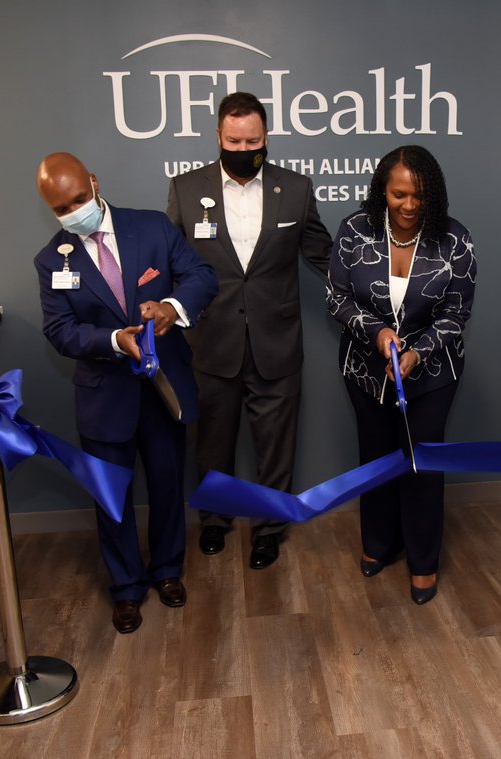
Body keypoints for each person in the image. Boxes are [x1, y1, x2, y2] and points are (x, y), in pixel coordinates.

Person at [34, 152, 217, 633]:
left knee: (167, 484)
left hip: (162, 389)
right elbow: (60, 331)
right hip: (104, 396)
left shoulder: (152, 227)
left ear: (94, 183)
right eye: (61, 208)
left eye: (79, 199)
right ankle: (126, 588)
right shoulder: (53, 260)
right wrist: (114, 340)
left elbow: (202, 277)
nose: (75, 211)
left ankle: (167, 571)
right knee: (112, 498)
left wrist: (172, 308)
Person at [167, 92, 332, 569]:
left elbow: (322, 255)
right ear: (218, 136)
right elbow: (171, 259)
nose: (244, 147)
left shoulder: (296, 189)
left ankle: (269, 528)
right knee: (212, 442)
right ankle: (215, 521)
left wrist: (371, 282)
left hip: (276, 342)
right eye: (234, 139)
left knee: (276, 446)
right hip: (211, 340)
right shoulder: (184, 187)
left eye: (253, 140)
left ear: (266, 138)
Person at [327, 145, 476, 605]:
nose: (409, 205)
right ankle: (379, 543)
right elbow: (336, 297)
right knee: (375, 458)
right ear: (382, 192)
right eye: (399, 195)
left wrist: (416, 351)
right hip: (365, 369)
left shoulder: (455, 239)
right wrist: (376, 333)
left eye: (419, 196)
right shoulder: (355, 230)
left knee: (422, 465)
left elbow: (457, 312)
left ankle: (423, 561)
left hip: (431, 374)